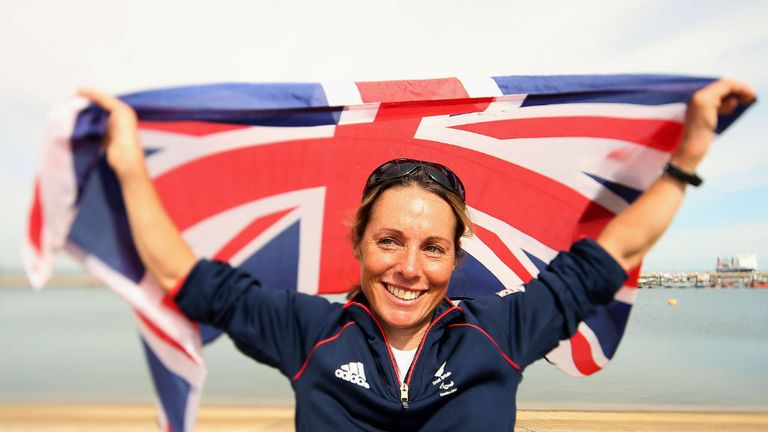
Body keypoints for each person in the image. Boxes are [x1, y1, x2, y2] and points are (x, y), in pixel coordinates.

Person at [80, 79, 755, 431]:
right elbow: (181, 274)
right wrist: (131, 169)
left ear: (456, 257)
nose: (409, 267)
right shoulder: (306, 332)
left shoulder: (504, 329)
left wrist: (689, 154)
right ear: (358, 243)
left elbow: (618, 248)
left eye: (433, 247)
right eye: (389, 241)